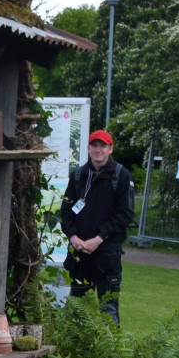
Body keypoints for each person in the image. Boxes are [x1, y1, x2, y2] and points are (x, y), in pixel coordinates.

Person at [61, 128, 135, 322]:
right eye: (95, 145)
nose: (98, 149)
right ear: (88, 148)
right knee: (77, 308)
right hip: (80, 254)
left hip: (107, 253)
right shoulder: (77, 176)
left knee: (108, 309)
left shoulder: (121, 176)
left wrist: (99, 238)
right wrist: (73, 236)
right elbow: (66, 210)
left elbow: (125, 214)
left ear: (110, 149)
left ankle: (110, 352)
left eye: (103, 146)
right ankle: (74, 350)